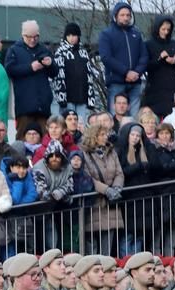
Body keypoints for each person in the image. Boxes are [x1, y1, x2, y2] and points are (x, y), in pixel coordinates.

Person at [5, 20, 59, 138]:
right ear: (23, 35)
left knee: (45, 139)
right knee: (23, 137)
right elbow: (10, 70)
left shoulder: (44, 50)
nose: (33, 40)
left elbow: (55, 73)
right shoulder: (14, 50)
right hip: (25, 105)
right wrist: (30, 67)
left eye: (36, 37)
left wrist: (50, 64)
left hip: (43, 105)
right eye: (29, 37)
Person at [81, 124, 125, 256]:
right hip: (94, 203)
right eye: (101, 135)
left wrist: (117, 187)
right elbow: (88, 177)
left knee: (108, 244)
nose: (105, 137)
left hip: (111, 203)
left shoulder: (111, 152)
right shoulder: (84, 153)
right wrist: (106, 190)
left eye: (105, 134)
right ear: (93, 136)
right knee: (92, 244)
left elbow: (119, 173)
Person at [99, 2, 148, 117]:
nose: (125, 18)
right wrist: (126, 72)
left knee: (134, 117)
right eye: (122, 15)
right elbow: (106, 57)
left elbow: (144, 56)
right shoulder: (106, 34)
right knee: (114, 117)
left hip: (135, 82)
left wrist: (137, 72)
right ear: (115, 16)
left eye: (128, 15)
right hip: (116, 82)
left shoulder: (136, 34)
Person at [52, 23, 104, 123]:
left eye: (74, 35)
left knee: (81, 124)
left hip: (82, 96)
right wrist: (61, 97)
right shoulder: (60, 52)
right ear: (65, 36)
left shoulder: (83, 53)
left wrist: (90, 98)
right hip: (68, 98)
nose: (71, 38)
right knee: (68, 124)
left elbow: (89, 76)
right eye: (69, 35)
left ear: (78, 36)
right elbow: (58, 77)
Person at [144, 16, 175, 116]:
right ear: (157, 28)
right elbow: (146, 66)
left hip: (172, 86)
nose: (166, 32)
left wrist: (174, 62)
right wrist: (160, 58)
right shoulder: (149, 45)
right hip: (155, 87)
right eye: (163, 29)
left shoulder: (174, 44)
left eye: (168, 30)